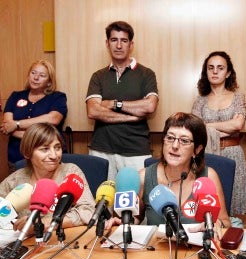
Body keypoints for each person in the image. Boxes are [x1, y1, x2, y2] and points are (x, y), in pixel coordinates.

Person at [107, 112, 231, 233]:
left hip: (198, 251)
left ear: (197, 149)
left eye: (184, 140)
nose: (175, 145)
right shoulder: (144, 177)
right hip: (157, 251)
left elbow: (225, 222)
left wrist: (217, 224)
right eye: (170, 138)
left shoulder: (209, 177)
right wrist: (126, 221)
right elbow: (136, 218)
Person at [86, 21, 159, 180]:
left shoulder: (146, 74)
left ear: (131, 44)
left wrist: (113, 103)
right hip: (101, 151)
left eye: (124, 41)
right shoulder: (98, 76)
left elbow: (149, 106)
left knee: (136, 202)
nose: (118, 45)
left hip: (136, 152)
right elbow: (93, 111)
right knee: (102, 201)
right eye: (114, 40)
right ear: (107, 43)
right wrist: (130, 116)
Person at [0, 123, 95, 232]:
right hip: (25, 242)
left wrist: (46, 223)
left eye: (57, 148)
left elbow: (89, 211)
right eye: (45, 149)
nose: (54, 156)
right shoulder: (16, 179)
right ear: (27, 153)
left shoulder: (70, 172)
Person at [191, 51, 246, 216]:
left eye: (220, 68)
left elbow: (238, 124)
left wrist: (208, 127)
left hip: (233, 154)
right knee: (207, 202)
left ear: (228, 72)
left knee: (232, 204)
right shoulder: (200, 101)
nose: (215, 72)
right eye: (211, 68)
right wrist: (225, 128)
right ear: (206, 72)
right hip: (207, 155)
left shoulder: (238, 97)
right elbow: (196, 130)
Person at [0, 60, 67, 172]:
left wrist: (17, 124)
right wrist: (43, 137)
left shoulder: (57, 97)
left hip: (49, 159)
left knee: (49, 189)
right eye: (33, 73)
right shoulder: (15, 96)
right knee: (21, 189)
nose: (36, 78)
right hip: (18, 157)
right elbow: (7, 126)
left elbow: (53, 119)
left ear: (49, 82)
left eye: (42, 75)